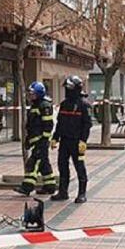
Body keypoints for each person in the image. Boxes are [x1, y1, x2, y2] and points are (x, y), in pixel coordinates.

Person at [52, 76, 92, 204]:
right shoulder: (64, 104)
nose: (67, 91)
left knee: (79, 167)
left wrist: (83, 141)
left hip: (77, 142)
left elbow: (87, 124)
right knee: (62, 166)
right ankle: (63, 192)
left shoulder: (83, 104)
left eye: (69, 88)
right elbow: (60, 123)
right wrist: (55, 138)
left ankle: (82, 193)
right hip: (65, 141)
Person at [15, 82, 57, 196]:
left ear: (39, 93)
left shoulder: (44, 105)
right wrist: (28, 140)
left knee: (33, 164)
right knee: (44, 164)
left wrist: (44, 140)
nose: (30, 95)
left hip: (41, 141)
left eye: (32, 93)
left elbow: (48, 125)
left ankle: (27, 187)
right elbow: (32, 125)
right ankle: (50, 186)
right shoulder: (36, 105)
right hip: (36, 140)